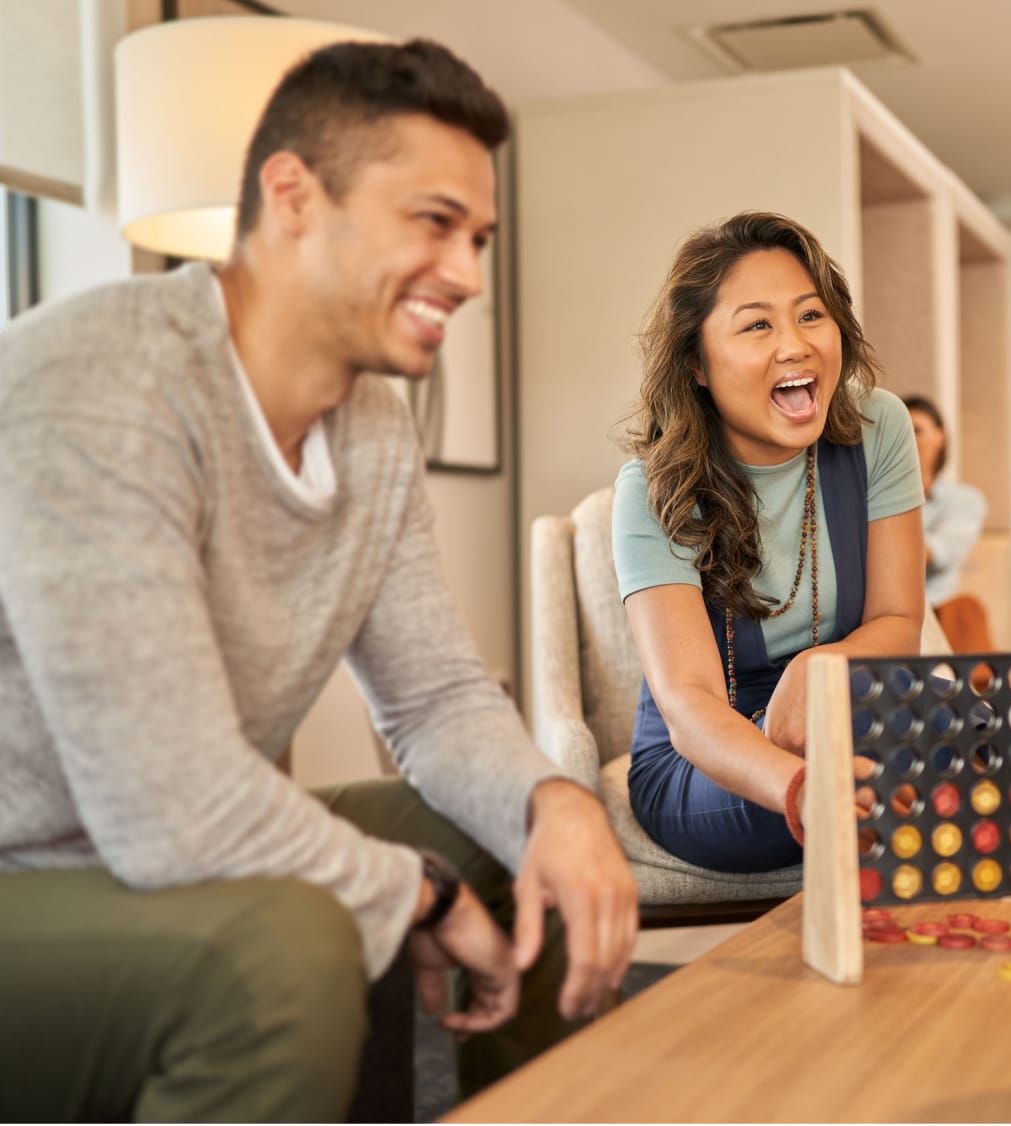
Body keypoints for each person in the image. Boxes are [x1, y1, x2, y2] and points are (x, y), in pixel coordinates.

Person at [0, 40, 636, 1122]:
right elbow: (174, 813)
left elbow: (434, 699)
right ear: (291, 194)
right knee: (282, 950)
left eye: (478, 238)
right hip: (31, 872)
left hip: (143, 845)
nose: (470, 275)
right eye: (433, 223)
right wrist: (418, 893)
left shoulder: (374, 426)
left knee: (538, 845)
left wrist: (555, 804)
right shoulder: (100, 384)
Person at [614, 211, 926, 873]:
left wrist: (819, 667)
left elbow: (899, 623)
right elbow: (691, 709)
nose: (796, 345)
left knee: (979, 740)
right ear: (697, 362)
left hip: (844, 712)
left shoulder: (880, 429)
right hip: (707, 760)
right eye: (758, 324)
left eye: (811, 315)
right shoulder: (650, 489)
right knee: (885, 782)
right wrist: (800, 788)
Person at [904, 394, 993, 652]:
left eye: (917, 430)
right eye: (902, 431)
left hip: (937, 611)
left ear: (940, 436)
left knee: (967, 610)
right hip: (881, 616)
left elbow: (941, 552)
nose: (908, 439)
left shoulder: (965, 500)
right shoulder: (868, 495)